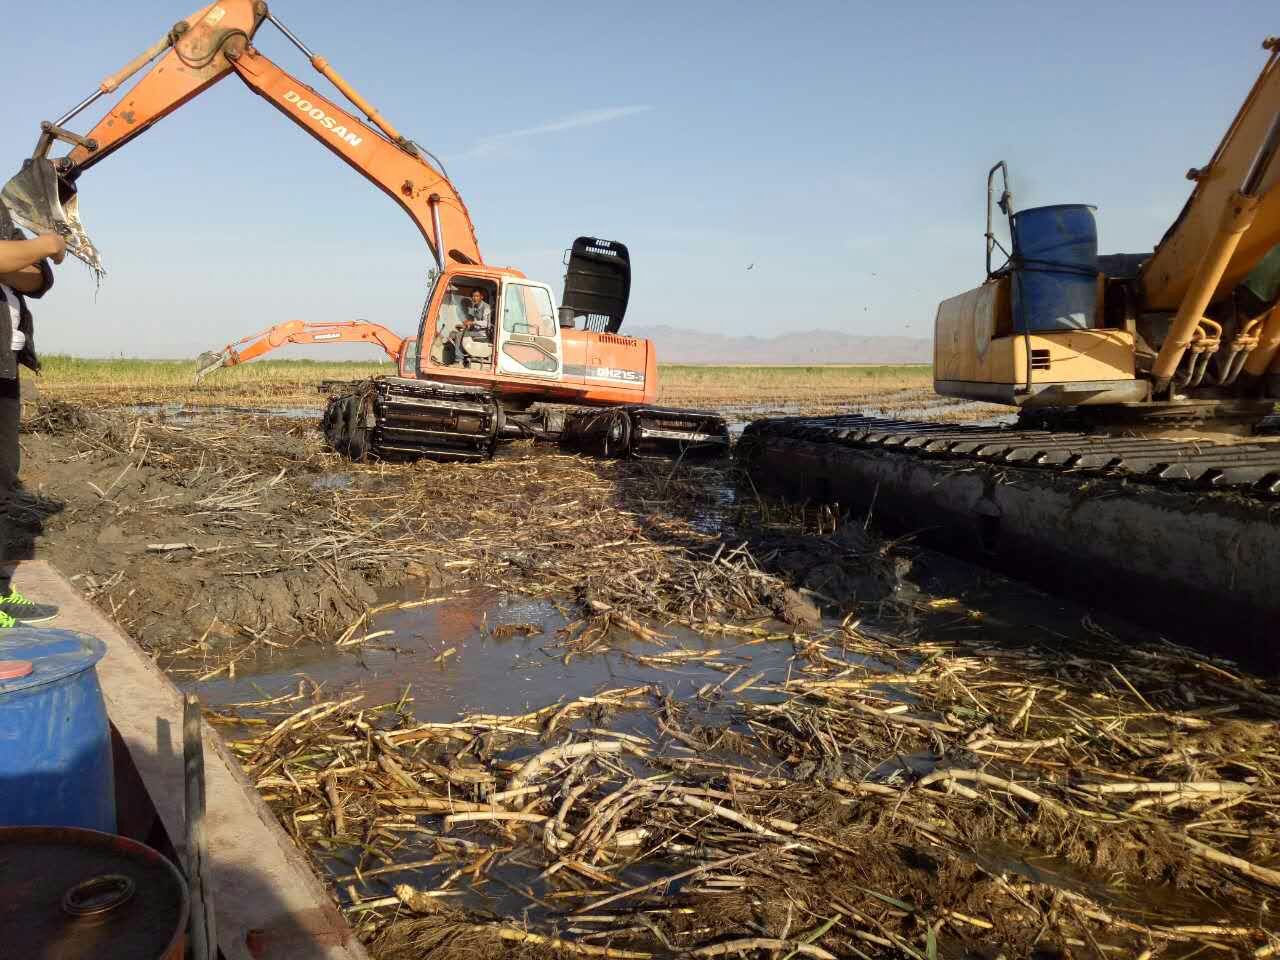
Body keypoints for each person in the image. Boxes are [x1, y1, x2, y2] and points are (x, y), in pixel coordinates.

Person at [0, 216, 65, 630]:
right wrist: (49, 242)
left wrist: (30, 253)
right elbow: (34, 258)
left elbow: (37, 278)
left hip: (4, 367)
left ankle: (0, 593)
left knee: (3, 483)